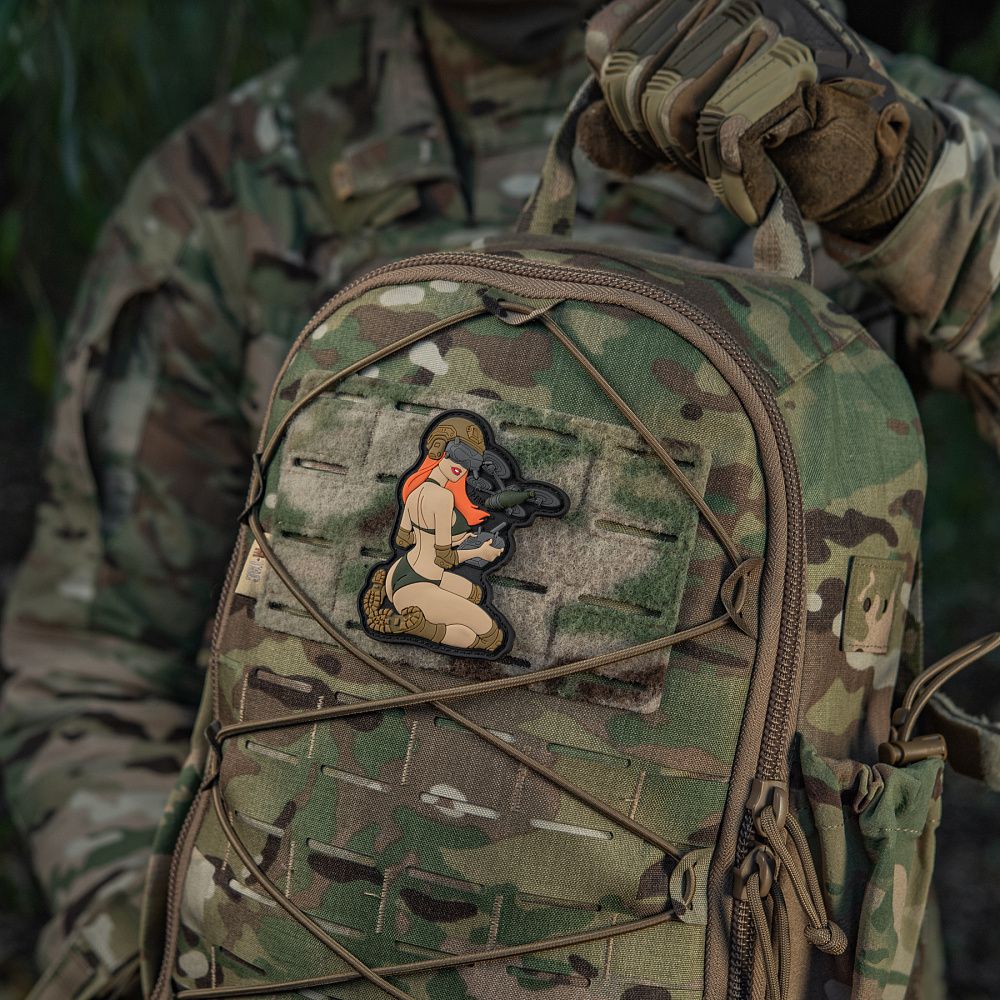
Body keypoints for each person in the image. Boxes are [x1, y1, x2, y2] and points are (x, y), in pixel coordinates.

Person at [1, 1, 997, 997]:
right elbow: (95, 653)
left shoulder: (865, 119)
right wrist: (152, 927)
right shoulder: (241, 177)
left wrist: (910, 197)